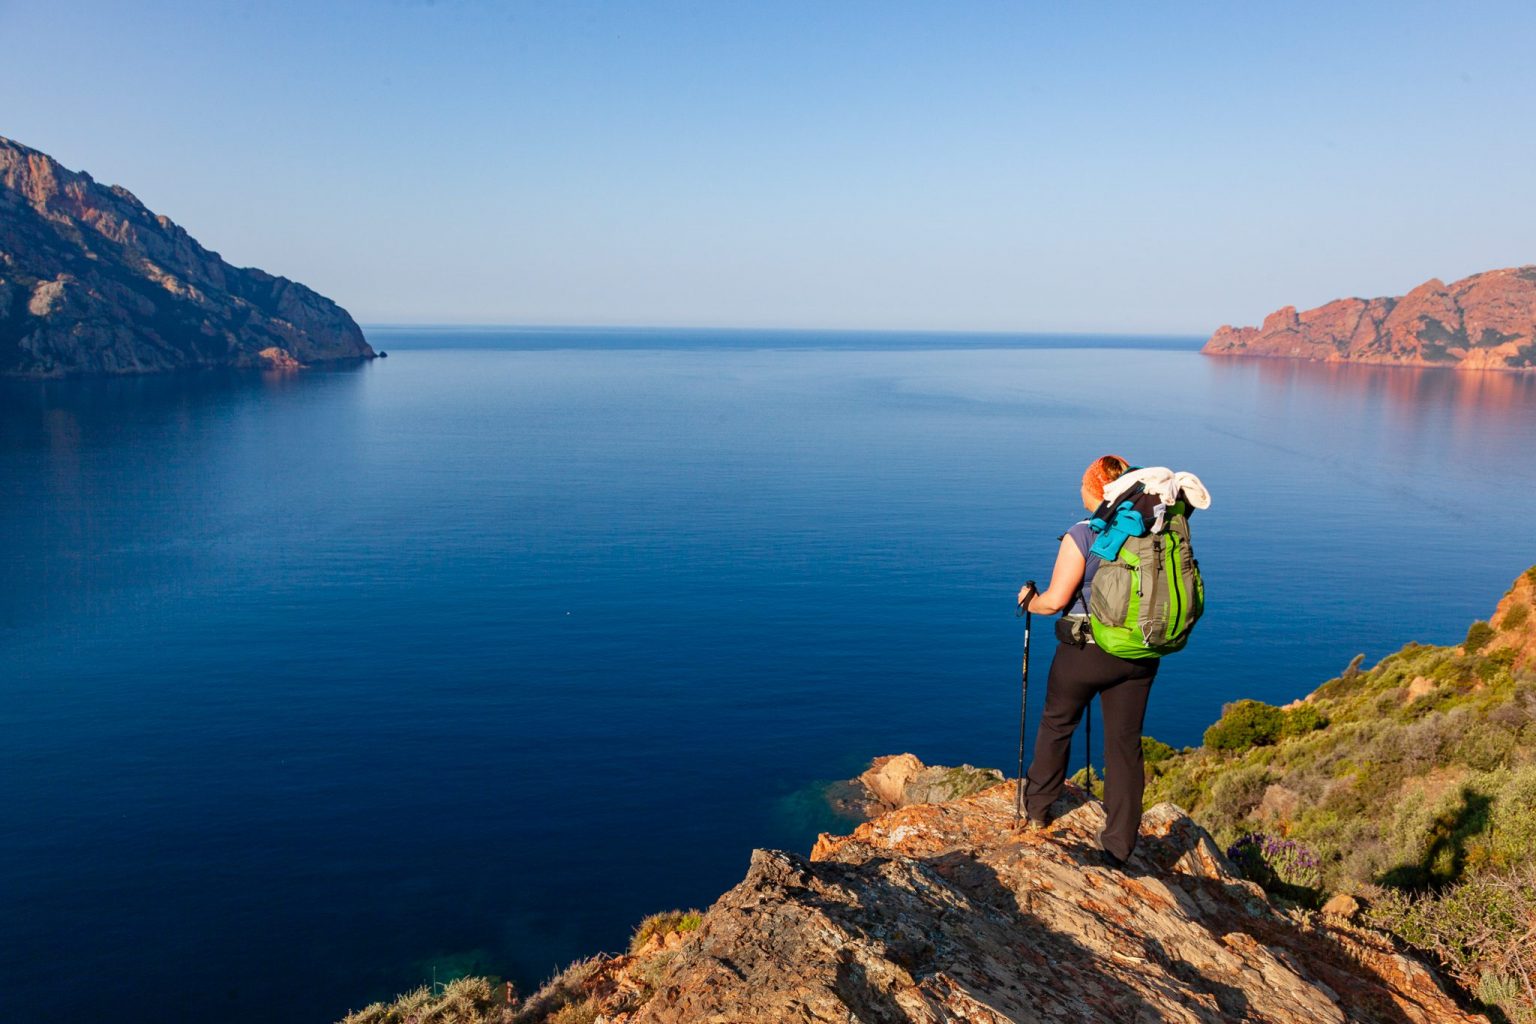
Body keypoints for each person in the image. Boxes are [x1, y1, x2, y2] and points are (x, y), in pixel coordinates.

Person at [1015, 454, 1157, 868]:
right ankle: (1118, 847)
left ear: (1096, 488)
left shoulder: (1084, 534)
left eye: (1083, 481)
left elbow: (1055, 601)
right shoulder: (1153, 531)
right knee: (1125, 746)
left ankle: (1039, 809)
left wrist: (1030, 601)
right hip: (1139, 653)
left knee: (1058, 723)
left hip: (1086, 651)